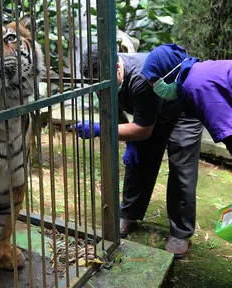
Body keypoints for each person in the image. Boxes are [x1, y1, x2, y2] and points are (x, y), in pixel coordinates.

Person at [76, 44, 204, 258]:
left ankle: (181, 232)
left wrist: (101, 131)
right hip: (154, 112)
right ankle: (128, 213)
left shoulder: (141, 78)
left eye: (105, 85)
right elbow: (114, 110)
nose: (102, 90)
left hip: (183, 112)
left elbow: (143, 131)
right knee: (138, 163)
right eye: (98, 86)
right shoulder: (101, 77)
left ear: (118, 67)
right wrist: (130, 142)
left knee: (182, 170)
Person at [141, 44, 232, 156]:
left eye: (155, 81)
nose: (154, 87)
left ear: (169, 71)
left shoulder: (195, 87)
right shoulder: (199, 72)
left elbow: (228, 133)